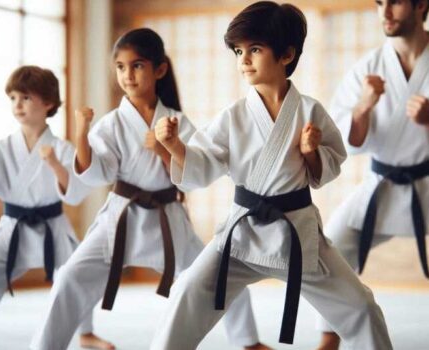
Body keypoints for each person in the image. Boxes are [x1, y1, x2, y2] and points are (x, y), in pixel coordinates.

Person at [152, 2, 393, 349]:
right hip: (242, 233)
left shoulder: (310, 110)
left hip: (296, 234)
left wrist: (310, 152)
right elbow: (203, 161)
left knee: (362, 307)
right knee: (187, 291)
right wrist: (174, 146)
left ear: (286, 55)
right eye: (238, 51)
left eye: (254, 49)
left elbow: (329, 167)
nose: (244, 59)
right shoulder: (233, 116)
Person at [30, 28, 269, 350]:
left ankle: (249, 341)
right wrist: (82, 130)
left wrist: (163, 148)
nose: (128, 75)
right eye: (121, 67)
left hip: (168, 219)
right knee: (70, 277)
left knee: (220, 274)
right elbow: (97, 173)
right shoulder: (112, 123)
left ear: (159, 69)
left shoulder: (176, 121)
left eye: (138, 65)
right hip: (120, 218)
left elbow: (195, 172)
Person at [316, 0, 429, 349]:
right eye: (379, 3)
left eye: (394, 2)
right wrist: (363, 106)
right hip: (380, 185)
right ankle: (329, 338)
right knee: (329, 246)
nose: (385, 11)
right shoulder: (368, 67)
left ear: (420, 5)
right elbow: (342, 139)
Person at [0, 66, 114, 350]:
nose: (17, 104)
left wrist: (53, 163)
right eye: (13, 97)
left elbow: (75, 192)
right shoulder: (2, 149)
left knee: (74, 273)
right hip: (12, 228)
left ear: (48, 103)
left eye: (26, 97)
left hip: (52, 228)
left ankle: (85, 332)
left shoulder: (61, 148)